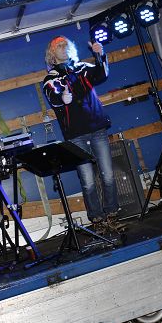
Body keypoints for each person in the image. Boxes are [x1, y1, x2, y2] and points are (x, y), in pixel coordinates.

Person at [43, 35, 120, 233]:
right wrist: (62, 98)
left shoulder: (82, 68)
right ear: (52, 53)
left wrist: (100, 55)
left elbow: (101, 74)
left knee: (108, 175)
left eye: (66, 44)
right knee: (88, 181)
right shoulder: (51, 79)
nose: (64, 47)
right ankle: (97, 219)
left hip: (97, 128)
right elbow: (53, 96)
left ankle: (112, 215)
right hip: (76, 134)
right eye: (59, 45)